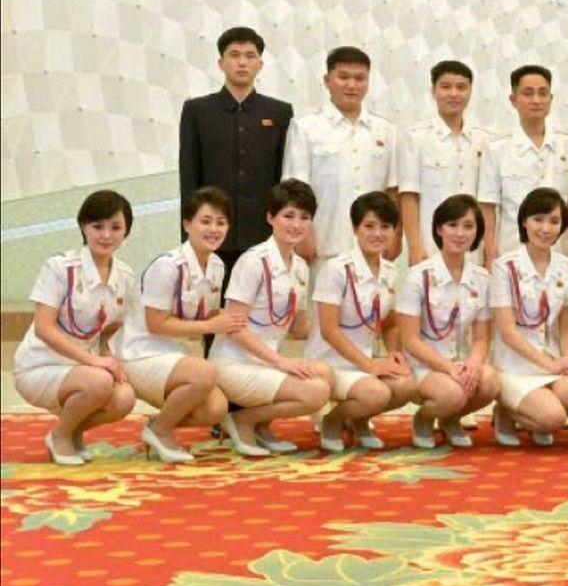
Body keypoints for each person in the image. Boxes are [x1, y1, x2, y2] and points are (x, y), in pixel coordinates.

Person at [178, 26, 293, 353]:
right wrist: (190, 235)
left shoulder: (279, 112)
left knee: (261, 307)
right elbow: (189, 175)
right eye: (234, 55)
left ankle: (260, 368)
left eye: (250, 56)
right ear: (221, 63)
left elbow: (283, 178)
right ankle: (214, 370)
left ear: (260, 64)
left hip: (262, 231)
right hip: (213, 232)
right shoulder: (198, 110)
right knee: (214, 306)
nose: (242, 62)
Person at [114, 187, 241, 462]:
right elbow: (156, 324)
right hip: (141, 354)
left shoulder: (217, 265)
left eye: (221, 223)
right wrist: (212, 326)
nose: (214, 229)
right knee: (206, 373)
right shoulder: (168, 266)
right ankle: (161, 431)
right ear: (187, 224)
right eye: (205, 221)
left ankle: (158, 424)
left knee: (216, 409)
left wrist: (235, 317)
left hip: (177, 358)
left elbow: (207, 314)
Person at [208, 180, 333, 457]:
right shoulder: (253, 261)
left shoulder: (300, 267)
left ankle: (261, 426)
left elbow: (300, 328)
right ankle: (242, 420)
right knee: (315, 392)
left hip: (266, 362)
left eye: (304, 217)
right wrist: (281, 361)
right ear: (270, 218)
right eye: (288, 216)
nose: (296, 224)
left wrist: (338, 317)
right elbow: (233, 327)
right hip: (234, 362)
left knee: (325, 373)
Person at [14, 190, 137, 465]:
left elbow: (110, 328)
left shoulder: (125, 276)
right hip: (40, 367)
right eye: (97, 226)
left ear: (126, 231)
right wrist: (95, 362)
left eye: (115, 227)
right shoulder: (60, 267)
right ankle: (59, 436)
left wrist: (110, 359)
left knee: (125, 397)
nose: (106, 235)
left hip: (83, 370)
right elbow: (43, 328)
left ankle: (70, 432)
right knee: (99, 381)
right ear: (83, 227)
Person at [304, 191, 416, 452]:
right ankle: (332, 421)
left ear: (394, 231)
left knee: (407, 385)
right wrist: (370, 365)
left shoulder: (390, 272)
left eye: (385, 227)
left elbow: (389, 323)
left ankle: (359, 420)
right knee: (377, 393)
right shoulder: (335, 269)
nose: (377, 234)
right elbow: (329, 331)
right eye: (369, 226)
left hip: (364, 362)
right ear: (355, 229)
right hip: (330, 363)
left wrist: (394, 354)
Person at [282, 46, 399, 275]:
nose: (351, 85)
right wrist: (303, 235)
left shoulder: (385, 130)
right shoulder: (305, 128)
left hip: (373, 246)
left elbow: (392, 190)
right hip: (323, 247)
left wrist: (395, 235)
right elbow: (295, 189)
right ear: (327, 81)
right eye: (343, 77)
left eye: (359, 78)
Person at [489, 188, 568, 448]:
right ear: (524, 221)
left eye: (554, 221)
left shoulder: (566, 266)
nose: (546, 228)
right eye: (538, 219)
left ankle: (535, 411)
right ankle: (506, 411)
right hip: (515, 366)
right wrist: (549, 365)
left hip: (550, 360)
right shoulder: (504, 267)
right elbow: (507, 332)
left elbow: (564, 322)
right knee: (553, 418)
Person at [396, 194, 498, 448]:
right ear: (439, 229)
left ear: (477, 232)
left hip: (460, 362)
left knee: (490, 382)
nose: (460, 233)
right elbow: (409, 340)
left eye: (468, 226)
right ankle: (423, 419)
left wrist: (474, 364)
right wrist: (448, 368)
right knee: (453, 394)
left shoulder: (482, 278)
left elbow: (481, 338)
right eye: (452, 225)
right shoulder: (418, 276)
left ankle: (451, 419)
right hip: (424, 364)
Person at [478, 65, 568, 265]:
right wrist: (490, 251)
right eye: (528, 93)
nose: (536, 100)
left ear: (551, 99)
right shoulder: (496, 148)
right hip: (512, 252)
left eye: (542, 93)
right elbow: (488, 205)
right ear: (513, 100)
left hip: (559, 253)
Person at [399, 61, 493, 264]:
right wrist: (415, 245)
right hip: (431, 247)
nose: (454, 94)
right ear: (433, 91)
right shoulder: (416, 137)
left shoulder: (485, 140)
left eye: (461, 87)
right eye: (446, 87)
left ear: (470, 92)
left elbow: (488, 200)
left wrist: (489, 247)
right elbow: (408, 196)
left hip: (473, 248)